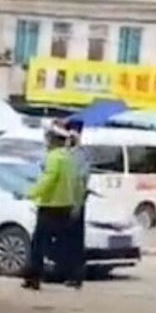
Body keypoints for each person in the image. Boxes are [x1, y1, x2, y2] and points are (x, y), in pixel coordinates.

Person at [22, 125, 80, 289]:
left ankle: (33, 277)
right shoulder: (69, 158)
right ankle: (71, 274)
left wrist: (31, 193)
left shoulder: (54, 157)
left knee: (39, 243)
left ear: (53, 140)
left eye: (48, 138)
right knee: (62, 242)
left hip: (50, 205)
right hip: (66, 204)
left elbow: (48, 179)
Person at [62, 119, 89, 288]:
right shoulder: (69, 152)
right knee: (69, 240)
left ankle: (75, 275)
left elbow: (81, 179)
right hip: (67, 200)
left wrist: (77, 205)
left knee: (75, 240)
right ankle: (69, 273)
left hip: (75, 201)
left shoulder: (80, 154)